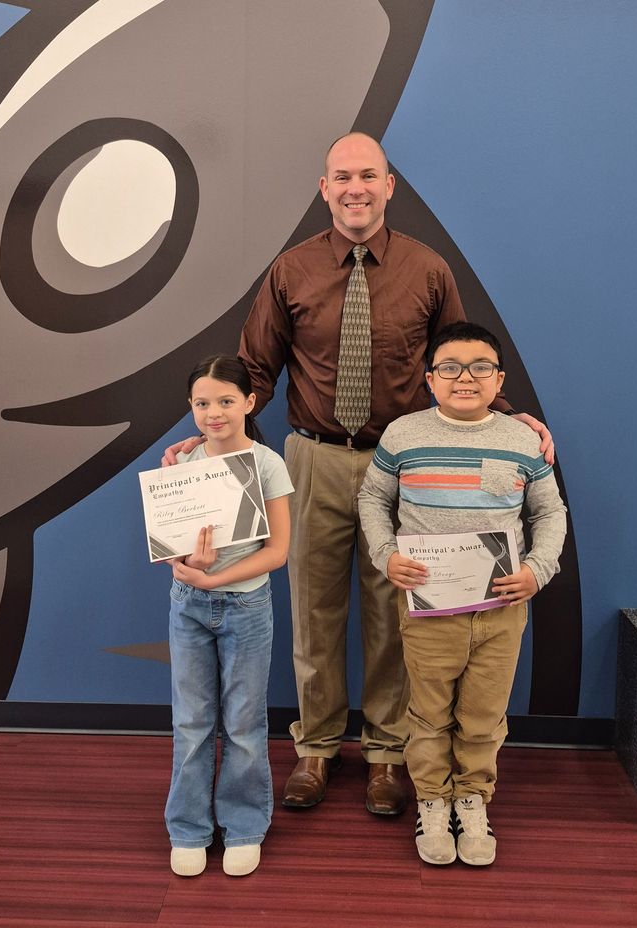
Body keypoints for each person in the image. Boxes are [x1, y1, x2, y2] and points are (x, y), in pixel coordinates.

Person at [165, 133, 553, 816]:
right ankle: (315, 747)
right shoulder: (290, 271)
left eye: (368, 176)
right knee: (313, 609)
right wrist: (207, 444)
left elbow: (462, 363)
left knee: (389, 610)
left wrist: (514, 417)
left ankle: (384, 754)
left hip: (402, 464)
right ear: (324, 189)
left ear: (388, 185)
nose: (355, 188)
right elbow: (251, 372)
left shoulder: (428, 269)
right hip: (309, 458)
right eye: (342, 177)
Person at [357, 321, 566, 866]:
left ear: (499, 378)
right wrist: (387, 556)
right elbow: (372, 500)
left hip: (502, 608)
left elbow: (549, 512)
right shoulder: (404, 435)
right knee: (428, 714)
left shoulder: (523, 441)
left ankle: (472, 799)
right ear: (430, 379)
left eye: (479, 368)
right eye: (449, 367)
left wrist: (538, 570)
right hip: (430, 610)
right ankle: (432, 800)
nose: (464, 378)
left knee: (483, 714)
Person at [163, 356, 293, 879]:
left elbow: (279, 551)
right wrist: (184, 564)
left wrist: (215, 578)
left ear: (248, 403)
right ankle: (189, 828)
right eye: (201, 403)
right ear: (190, 407)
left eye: (224, 401)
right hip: (187, 605)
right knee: (191, 723)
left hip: (246, 605)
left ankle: (243, 827)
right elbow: (169, 542)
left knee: (242, 722)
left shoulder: (266, 464)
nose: (213, 413)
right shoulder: (182, 463)